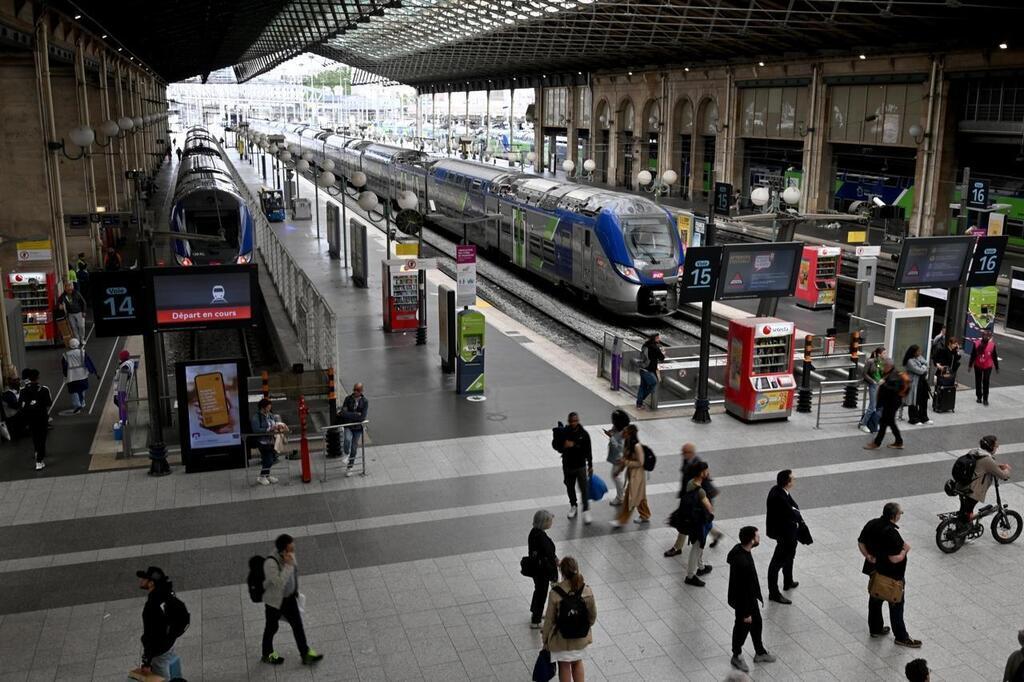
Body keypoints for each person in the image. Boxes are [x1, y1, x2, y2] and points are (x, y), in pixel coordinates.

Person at [857, 502, 921, 647]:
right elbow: (894, 558)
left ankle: (875, 628)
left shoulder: (872, 524)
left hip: (874, 571)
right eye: (900, 513)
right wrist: (905, 550)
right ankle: (901, 636)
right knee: (896, 603)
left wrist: (867, 555)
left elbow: (861, 542)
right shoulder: (892, 533)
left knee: (875, 598)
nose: (900, 515)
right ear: (894, 516)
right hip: (892, 576)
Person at [261, 534, 324, 666]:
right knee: (272, 627)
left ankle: (305, 654)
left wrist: (295, 589)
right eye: (291, 548)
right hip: (275, 602)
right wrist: (288, 566)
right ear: (283, 550)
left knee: (298, 626)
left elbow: (294, 573)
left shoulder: (289, 555)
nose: (293, 551)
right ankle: (267, 654)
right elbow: (278, 584)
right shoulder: (270, 563)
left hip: (289, 599)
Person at [727, 526, 777, 673]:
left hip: (749, 599)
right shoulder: (743, 563)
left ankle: (760, 652)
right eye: (757, 536)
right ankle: (736, 655)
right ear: (751, 540)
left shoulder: (740, 549)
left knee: (757, 624)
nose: (759, 538)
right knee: (742, 628)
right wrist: (746, 613)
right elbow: (743, 590)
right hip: (744, 603)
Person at [541, 556, 597, 682]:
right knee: (577, 662)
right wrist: (584, 627)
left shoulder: (555, 593)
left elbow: (549, 619)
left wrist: (545, 639)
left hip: (561, 639)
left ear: (562, 572)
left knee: (564, 665)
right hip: (580, 637)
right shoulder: (586, 590)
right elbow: (592, 616)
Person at [665, 443, 723, 557]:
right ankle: (716, 534)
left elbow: (704, 483)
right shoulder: (688, 460)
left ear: (690, 453)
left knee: (685, 521)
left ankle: (677, 547)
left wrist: (704, 502)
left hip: (697, 500)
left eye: (684, 452)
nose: (682, 454)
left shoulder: (698, 465)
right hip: (691, 498)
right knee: (696, 521)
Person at [135, 566, 184, 679]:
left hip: (159, 647)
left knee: (160, 671)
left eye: (144, 579)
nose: (141, 580)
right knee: (170, 659)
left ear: (151, 583)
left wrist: (147, 661)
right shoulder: (168, 593)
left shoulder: (151, 607)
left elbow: (150, 635)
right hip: (170, 638)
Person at [957, 434, 1011, 527]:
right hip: (973, 491)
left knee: (965, 511)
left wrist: (997, 465)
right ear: (990, 447)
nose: (997, 448)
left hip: (963, 485)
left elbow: (982, 466)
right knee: (966, 514)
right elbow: (1003, 475)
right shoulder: (987, 459)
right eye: (995, 446)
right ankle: (961, 533)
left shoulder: (976, 452)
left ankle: (962, 531)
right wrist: (1006, 469)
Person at [765, 469, 802, 604]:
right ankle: (773, 593)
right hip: (783, 534)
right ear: (787, 482)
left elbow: (793, 507)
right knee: (777, 563)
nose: (794, 479)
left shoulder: (780, 490)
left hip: (789, 532)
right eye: (792, 478)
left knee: (790, 555)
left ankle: (788, 580)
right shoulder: (778, 496)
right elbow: (791, 513)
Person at [678, 461, 716, 587]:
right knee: (696, 547)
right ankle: (690, 576)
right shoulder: (700, 491)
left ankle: (701, 566)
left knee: (699, 545)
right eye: (706, 470)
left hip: (694, 520)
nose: (708, 472)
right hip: (699, 523)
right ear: (701, 473)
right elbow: (709, 508)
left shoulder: (690, 482)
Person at [555, 412, 593, 524]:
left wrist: (590, 466)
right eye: (571, 421)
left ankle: (586, 510)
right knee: (570, 487)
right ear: (568, 421)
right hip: (568, 466)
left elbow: (588, 451)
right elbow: (557, 446)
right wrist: (563, 446)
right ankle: (573, 505)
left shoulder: (584, 434)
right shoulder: (564, 433)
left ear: (578, 420)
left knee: (584, 489)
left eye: (575, 421)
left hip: (581, 466)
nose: (573, 423)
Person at [610, 424, 651, 527]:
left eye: (626, 432)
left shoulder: (637, 446)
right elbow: (625, 459)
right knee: (641, 496)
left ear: (631, 434)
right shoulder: (627, 444)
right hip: (631, 474)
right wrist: (619, 470)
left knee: (630, 496)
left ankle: (621, 520)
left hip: (638, 475)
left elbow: (640, 463)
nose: (623, 433)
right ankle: (645, 515)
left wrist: (626, 462)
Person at [864, 363, 907, 450]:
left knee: (885, 423)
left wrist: (883, 384)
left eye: (885, 366)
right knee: (888, 423)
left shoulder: (894, 376)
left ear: (889, 366)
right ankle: (898, 441)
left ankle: (877, 443)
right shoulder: (890, 374)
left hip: (891, 404)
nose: (883, 368)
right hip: (890, 404)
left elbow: (894, 390)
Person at [528, 509, 557, 629]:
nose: (551, 523)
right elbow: (547, 553)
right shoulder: (541, 537)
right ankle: (536, 620)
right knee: (541, 593)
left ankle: (536, 613)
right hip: (542, 571)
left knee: (538, 591)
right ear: (544, 522)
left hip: (536, 569)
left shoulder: (534, 532)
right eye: (550, 520)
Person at [18, 369, 52, 471]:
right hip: (41, 418)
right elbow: (48, 403)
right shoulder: (44, 389)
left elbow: (20, 404)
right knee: (42, 438)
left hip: (30, 418)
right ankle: (39, 460)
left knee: (35, 437)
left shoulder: (23, 390)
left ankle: (37, 452)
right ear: (38, 377)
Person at [251, 398, 289, 485]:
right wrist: (269, 429)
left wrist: (278, 426)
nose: (269, 409)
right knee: (268, 459)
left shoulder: (270, 415)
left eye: (269, 407)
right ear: (262, 407)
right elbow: (256, 430)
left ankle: (267, 475)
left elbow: (274, 422)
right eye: (268, 407)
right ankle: (262, 476)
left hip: (272, 440)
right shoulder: (256, 417)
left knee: (271, 458)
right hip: (263, 442)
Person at [337, 383, 368, 477]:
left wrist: (351, 415)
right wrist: (356, 415)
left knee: (354, 448)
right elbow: (343, 413)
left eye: (357, 390)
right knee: (347, 439)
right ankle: (346, 454)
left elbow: (362, 417)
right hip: (348, 425)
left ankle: (350, 467)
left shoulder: (365, 401)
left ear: (361, 391)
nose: (355, 392)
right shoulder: (348, 399)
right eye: (354, 389)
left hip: (358, 428)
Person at [61, 338, 98, 414]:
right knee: (82, 389)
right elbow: (89, 363)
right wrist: (94, 372)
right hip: (82, 375)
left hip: (71, 377)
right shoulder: (83, 352)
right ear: (78, 344)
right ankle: (82, 402)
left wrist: (65, 375)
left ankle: (77, 404)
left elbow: (64, 367)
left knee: (73, 391)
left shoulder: (65, 355)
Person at [603, 409, 630, 506]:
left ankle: (620, 497)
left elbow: (619, 448)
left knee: (615, 476)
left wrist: (611, 437)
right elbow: (614, 432)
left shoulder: (624, 432)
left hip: (619, 458)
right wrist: (612, 432)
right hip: (616, 457)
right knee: (617, 476)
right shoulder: (617, 427)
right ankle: (622, 493)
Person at [858, 347, 887, 433]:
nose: (886, 355)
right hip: (873, 385)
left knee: (879, 406)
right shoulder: (870, 361)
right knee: (872, 406)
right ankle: (863, 424)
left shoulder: (883, 362)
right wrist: (873, 381)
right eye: (884, 353)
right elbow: (864, 374)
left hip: (881, 386)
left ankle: (874, 423)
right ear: (879, 354)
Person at [903, 345, 932, 425]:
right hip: (914, 384)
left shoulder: (919, 357)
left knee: (924, 400)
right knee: (914, 401)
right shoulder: (909, 361)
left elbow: (926, 363)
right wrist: (924, 367)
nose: (919, 353)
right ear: (913, 352)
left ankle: (924, 418)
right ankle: (914, 419)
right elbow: (919, 371)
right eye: (918, 351)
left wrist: (924, 366)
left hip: (922, 382)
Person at [969, 330, 999, 406]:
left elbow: (994, 356)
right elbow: (973, 355)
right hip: (978, 365)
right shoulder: (976, 344)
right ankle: (979, 397)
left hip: (987, 366)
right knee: (978, 381)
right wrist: (970, 365)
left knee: (986, 381)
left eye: (988, 336)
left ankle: (985, 399)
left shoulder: (992, 345)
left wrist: (996, 367)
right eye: (985, 335)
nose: (986, 337)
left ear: (989, 337)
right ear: (982, 336)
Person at [635, 333, 665, 409]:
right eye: (658, 338)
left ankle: (639, 404)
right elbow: (662, 358)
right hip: (649, 370)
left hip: (642, 368)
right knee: (653, 383)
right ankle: (641, 399)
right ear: (655, 339)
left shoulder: (645, 345)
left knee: (642, 386)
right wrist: (663, 353)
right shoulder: (655, 348)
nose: (659, 339)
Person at [114, 350, 134, 424]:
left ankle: (123, 421)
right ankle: (123, 420)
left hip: (122, 389)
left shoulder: (124, 367)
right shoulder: (129, 364)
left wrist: (118, 393)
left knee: (122, 405)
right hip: (124, 388)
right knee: (122, 405)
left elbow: (122, 381)